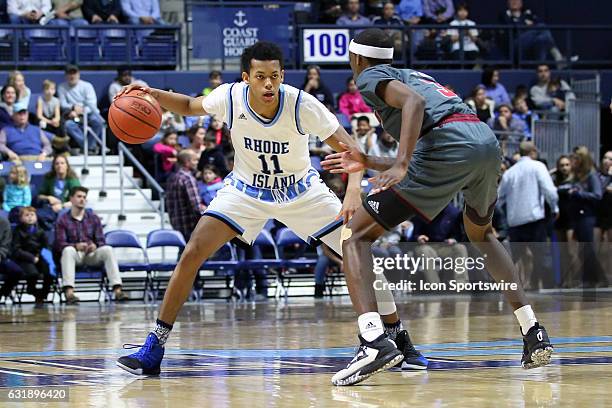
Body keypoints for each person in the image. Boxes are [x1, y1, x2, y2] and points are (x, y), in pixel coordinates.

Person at [117, 41, 426, 380]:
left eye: (275, 76)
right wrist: (153, 93)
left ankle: (398, 338)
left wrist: (353, 192)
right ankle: (154, 348)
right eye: (261, 77)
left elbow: (352, 151)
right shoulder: (230, 97)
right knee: (192, 252)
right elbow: (190, 105)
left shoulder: (301, 104)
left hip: (301, 191)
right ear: (246, 77)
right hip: (246, 190)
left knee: (359, 254)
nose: (268, 84)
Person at [321, 29, 554, 384]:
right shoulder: (413, 75)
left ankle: (373, 341)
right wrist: (369, 160)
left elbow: (414, 110)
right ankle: (532, 329)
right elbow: (432, 137)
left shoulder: (369, 76)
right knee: (482, 233)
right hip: (482, 141)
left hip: (445, 148)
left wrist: (398, 163)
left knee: (353, 238)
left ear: (356, 59)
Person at [498, 141, 558, 290]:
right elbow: (549, 190)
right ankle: (537, 285)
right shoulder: (538, 166)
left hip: (515, 222)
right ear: (533, 152)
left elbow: (498, 197)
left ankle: (503, 285)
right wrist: (554, 207)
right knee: (540, 255)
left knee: (514, 257)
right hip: (534, 220)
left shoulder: (510, 173)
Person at [54, 186, 129, 304]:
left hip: (90, 254)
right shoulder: (63, 220)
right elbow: (59, 244)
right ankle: (69, 292)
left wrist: (94, 245)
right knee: (68, 250)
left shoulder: (93, 218)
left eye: (84, 197)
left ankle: (117, 290)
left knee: (107, 249)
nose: (82, 199)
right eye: (79, 197)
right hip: (75, 255)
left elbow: (101, 240)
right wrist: (75, 246)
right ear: (71, 199)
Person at [567, 146, 607, 287]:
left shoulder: (591, 175)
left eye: (576, 159)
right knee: (584, 249)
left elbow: (597, 195)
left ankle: (592, 280)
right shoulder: (578, 175)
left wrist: (578, 194)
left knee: (587, 249)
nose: (574, 161)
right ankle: (595, 279)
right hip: (578, 216)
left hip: (588, 216)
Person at [411, 203, 469, 284]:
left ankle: (461, 283)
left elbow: (457, 234)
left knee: (461, 248)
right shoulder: (423, 211)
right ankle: (434, 285)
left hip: (445, 246)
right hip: (427, 246)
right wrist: (419, 237)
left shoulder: (454, 212)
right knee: (424, 251)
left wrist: (453, 239)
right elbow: (414, 235)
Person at [499, 0, 566, 66]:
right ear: (508, 3)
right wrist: (525, 24)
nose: (514, 2)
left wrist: (527, 26)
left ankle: (541, 65)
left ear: (521, 3)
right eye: (512, 0)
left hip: (531, 42)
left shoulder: (528, 13)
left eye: (517, 0)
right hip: (515, 44)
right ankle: (557, 56)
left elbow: (537, 22)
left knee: (542, 38)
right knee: (541, 27)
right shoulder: (505, 14)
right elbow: (512, 29)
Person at [11, 206, 53, 305]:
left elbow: (46, 247)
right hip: (24, 258)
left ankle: (43, 294)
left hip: (39, 256)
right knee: (33, 273)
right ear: (21, 218)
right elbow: (16, 250)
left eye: (32, 215)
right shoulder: (18, 231)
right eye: (27, 215)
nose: (30, 217)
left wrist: (41, 256)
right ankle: (31, 289)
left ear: (36, 217)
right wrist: (31, 258)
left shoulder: (40, 231)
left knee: (50, 272)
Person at [58, 65, 104, 153]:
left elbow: (92, 104)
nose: (72, 76)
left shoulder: (87, 86)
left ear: (78, 74)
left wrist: (82, 110)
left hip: (89, 113)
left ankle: (87, 147)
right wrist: (73, 109)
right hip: (73, 114)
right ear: (66, 76)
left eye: (74, 73)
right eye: (69, 73)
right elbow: (63, 104)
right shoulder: (61, 87)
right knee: (68, 125)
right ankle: (90, 147)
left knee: (98, 122)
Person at [164, 150, 205, 242]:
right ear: (187, 162)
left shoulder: (172, 177)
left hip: (177, 225)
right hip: (190, 226)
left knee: (184, 253)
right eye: (195, 160)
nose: (197, 163)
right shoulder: (188, 179)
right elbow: (196, 206)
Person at [553, 155, 579, 288]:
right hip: (559, 220)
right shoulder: (555, 181)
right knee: (562, 252)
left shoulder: (576, 180)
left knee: (571, 251)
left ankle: (575, 279)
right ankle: (565, 280)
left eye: (567, 165)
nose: (564, 167)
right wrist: (552, 171)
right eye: (562, 165)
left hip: (572, 220)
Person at [595, 150, 612, 278]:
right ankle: (603, 276)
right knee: (601, 248)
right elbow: (598, 192)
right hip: (599, 214)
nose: (607, 161)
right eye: (605, 158)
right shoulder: (597, 175)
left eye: (610, 159)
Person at [0, 216, 23, 301]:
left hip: (1, 258)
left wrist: (1, 254)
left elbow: (6, 244)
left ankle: (3, 293)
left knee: (16, 271)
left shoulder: (3, 222)